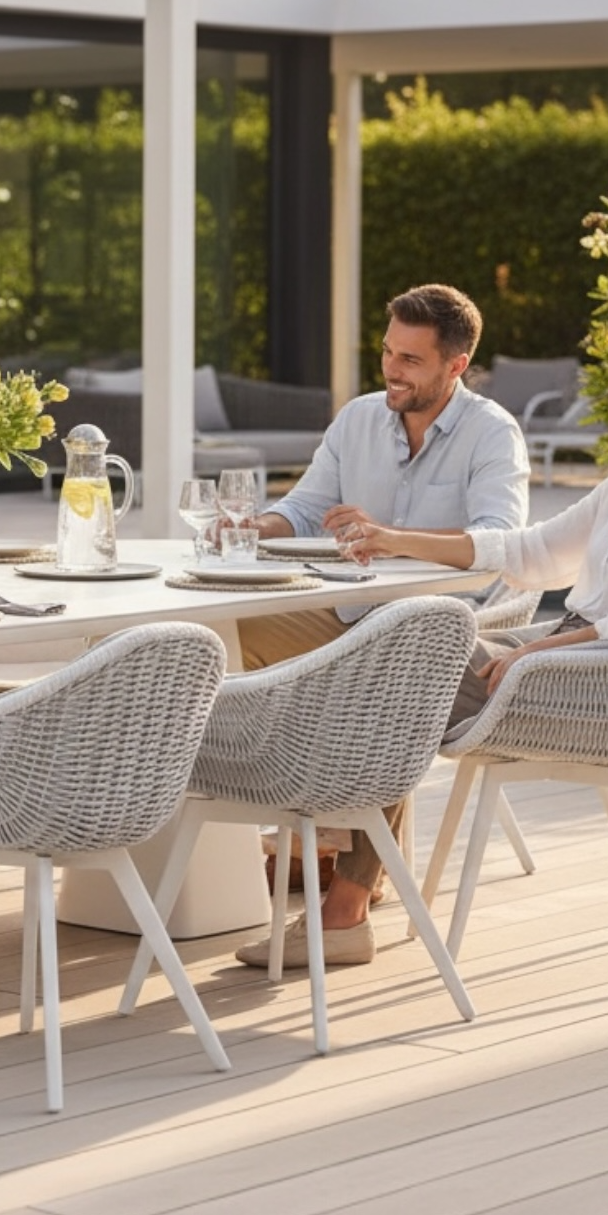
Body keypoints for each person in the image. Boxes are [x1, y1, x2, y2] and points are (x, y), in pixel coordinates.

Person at [230, 283, 529, 965]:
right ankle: (291, 839)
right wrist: (255, 527)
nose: (392, 369)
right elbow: (305, 507)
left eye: (411, 360)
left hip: (435, 633)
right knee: (229, 629)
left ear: (456, 365)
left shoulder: (492, 433)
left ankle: (347, 906)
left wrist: (393, 538)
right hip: (347, 614)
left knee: (391, 675)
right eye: (388, 352)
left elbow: (499, 542)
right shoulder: (360, 418)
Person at [358, 327, 608, 734]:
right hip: (563, 651)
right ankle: (373, 769)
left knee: (408, 663)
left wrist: (534, 652)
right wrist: (395, 541)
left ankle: (358, 767)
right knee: (409, 641)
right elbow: (534, 551)